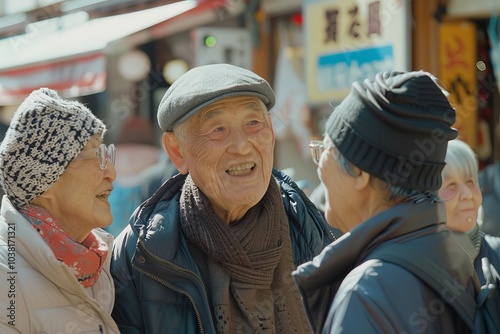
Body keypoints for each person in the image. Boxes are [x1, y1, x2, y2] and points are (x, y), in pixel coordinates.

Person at [111, 63, 335, 333]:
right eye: (217, 129)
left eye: (253, 123)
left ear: (271, 134)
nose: (241, 146)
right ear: (177, 151)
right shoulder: (142, 253)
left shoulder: (308, 226)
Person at [292, 71, 479, 333]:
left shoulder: (368, 292)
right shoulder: (450, 253)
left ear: (359, 172)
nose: (320, 165)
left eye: (325, 151)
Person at [0, 88, 120, 333]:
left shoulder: (102, 261)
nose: (111, 173)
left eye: (106, 153)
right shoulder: (5, 277)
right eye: (96, 155)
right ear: (44, 181)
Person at [439, 138, 500, 284]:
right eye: (451, 185)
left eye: (470, 182)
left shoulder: (496, 254)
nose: (467, 195)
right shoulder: (415, 264)